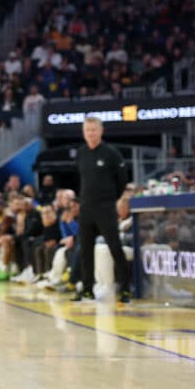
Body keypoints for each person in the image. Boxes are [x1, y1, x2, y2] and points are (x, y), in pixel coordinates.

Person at [74, 117, 131, 302]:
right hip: (86, 208)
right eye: (87, 130)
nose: (90, 133)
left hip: (105, 208)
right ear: (83, 132)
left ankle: (125, 289)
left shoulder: (111, 153)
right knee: (85, 250)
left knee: (115, 247)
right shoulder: (81, 153)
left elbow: (122, 180)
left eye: (93, 129)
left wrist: (111, 199)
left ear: (101, 131)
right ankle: (88, 289)